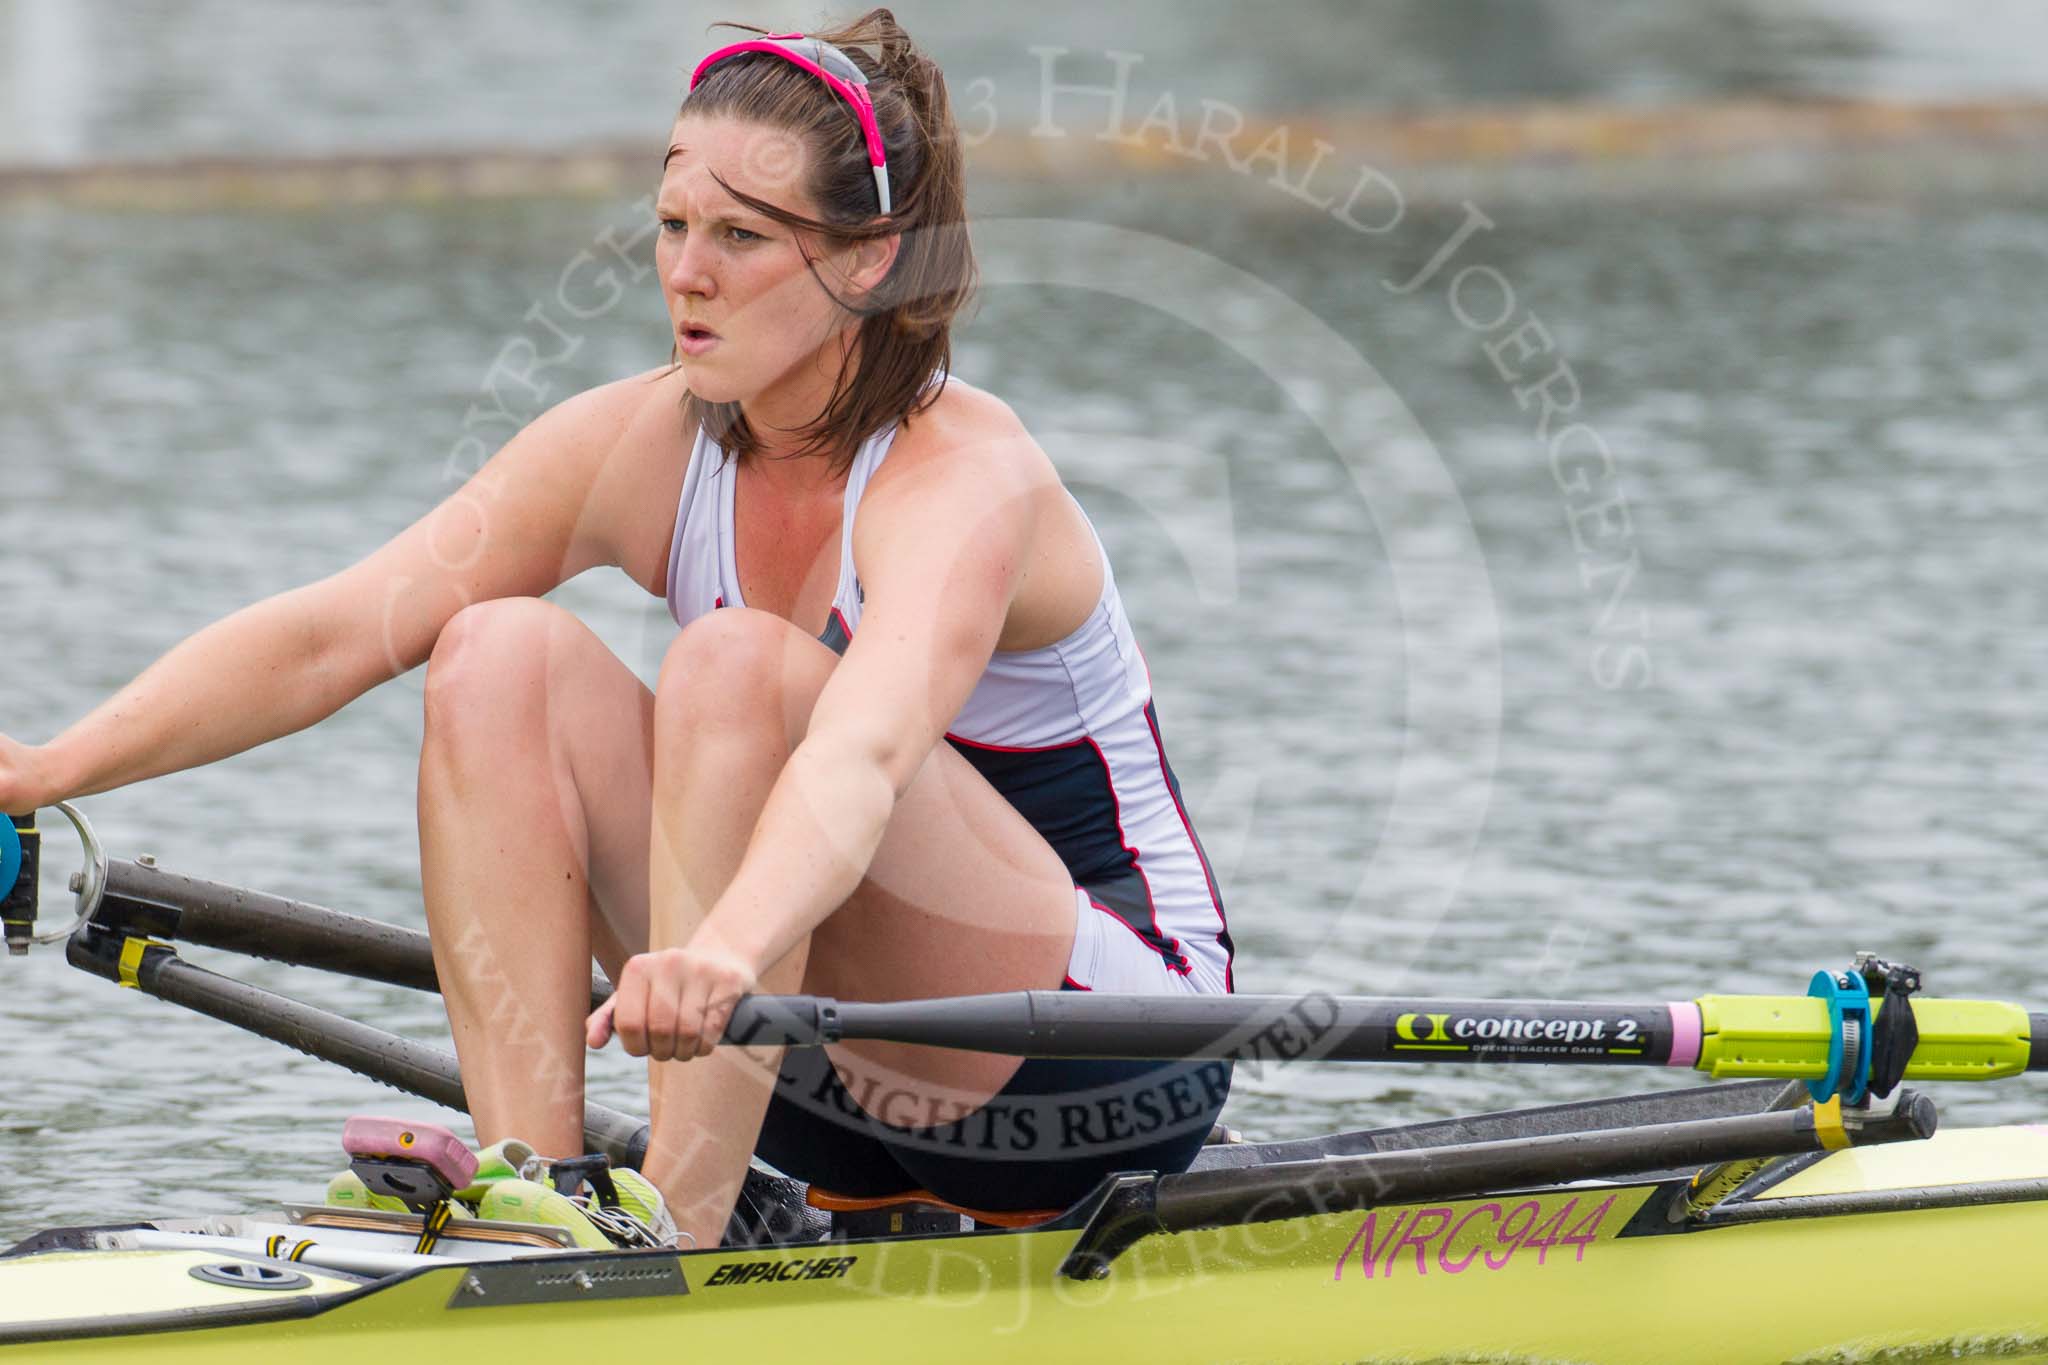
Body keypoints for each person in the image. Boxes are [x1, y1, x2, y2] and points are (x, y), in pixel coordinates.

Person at [0, 9, 1233, 1249]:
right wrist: (44, 772)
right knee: (494, 650)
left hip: (1095, 1067)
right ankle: (542, 1192)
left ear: (869, 261)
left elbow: (856, 759)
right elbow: (334, 633)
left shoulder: (962, 478)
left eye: (742, 236)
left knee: (737, 665)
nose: (685, 273)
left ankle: (668, 1248)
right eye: (672, 225)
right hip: (797, 1063)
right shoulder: (643, 444)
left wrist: (729, 953)